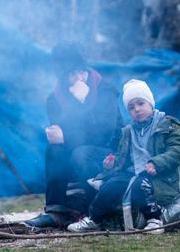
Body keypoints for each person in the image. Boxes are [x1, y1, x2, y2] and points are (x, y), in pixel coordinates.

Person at [24, 42, 123, 228]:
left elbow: (105, 134)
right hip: (80, 150)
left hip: (112, 153)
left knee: (81, 153)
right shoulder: (54, 100)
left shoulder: (104, 90)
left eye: (82, 72)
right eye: (72, 73)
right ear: (62, 77)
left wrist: (82, 103)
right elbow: (69, 135)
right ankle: (56, 212)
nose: (80, 78)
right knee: (54, 149)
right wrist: (65, 137)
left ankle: (98, 211)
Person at [67, 79, 180, 234]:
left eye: (140, 103)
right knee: (111, 185)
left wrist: (156, 163)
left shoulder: (168, 125)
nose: (136, 109)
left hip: (160, 176)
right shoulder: (128, 131)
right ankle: (94, 219)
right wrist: (111, 164)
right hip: (135, 173)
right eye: (131, 107)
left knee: (140, 184)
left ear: (150, 103)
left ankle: (155, 219)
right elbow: (123, 159)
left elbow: (177, 151)